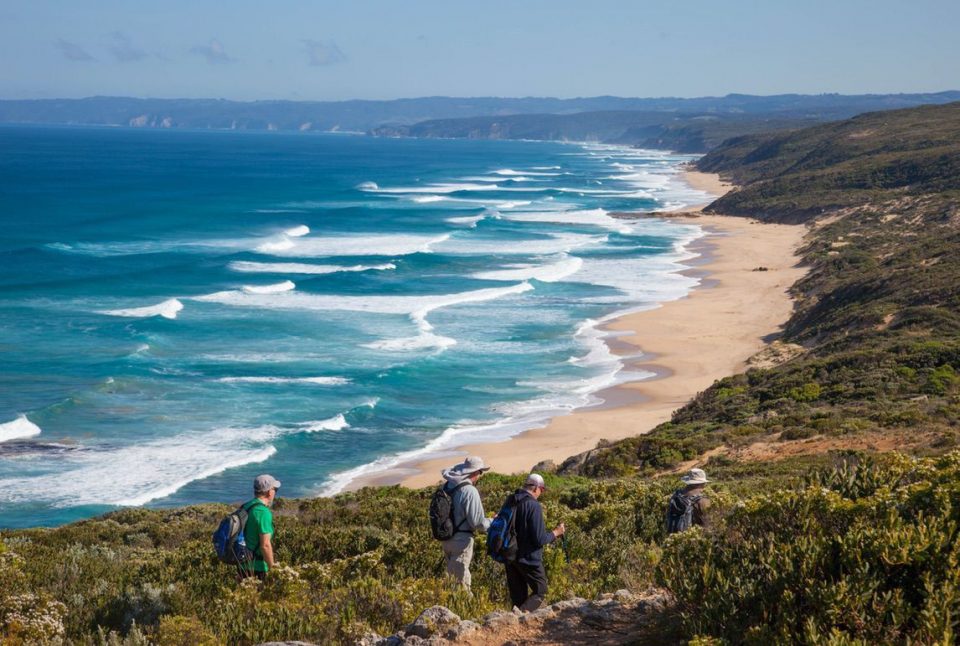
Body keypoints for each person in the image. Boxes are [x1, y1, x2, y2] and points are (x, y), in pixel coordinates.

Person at [504, 473, 565, 612]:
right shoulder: (533, 505)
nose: (541, 493)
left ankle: (514, 620)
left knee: (518, 598)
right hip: (528, 558)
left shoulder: (511, 500)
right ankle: (518, 618)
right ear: (536, 488)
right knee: (541, 591)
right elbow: (539, 539)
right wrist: (556, 533)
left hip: (510, 556)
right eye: (542, 490)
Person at [439, 456, 492, 591]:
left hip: (446, 538)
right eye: (480, 472)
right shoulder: (469, 491)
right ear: (475, 472)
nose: (480, 476)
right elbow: (477, 523)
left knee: (452, 579)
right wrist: (492, 522)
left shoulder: (448, 485)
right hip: (461, 541)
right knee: (461, 584)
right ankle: (465, 604)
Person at [240, 474, 281, 580]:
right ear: (269, 492)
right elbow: (265, 545)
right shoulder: (263, 512)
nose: (275, 493)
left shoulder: (246, 506)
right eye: (275, 490)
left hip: (242, 565)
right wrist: (273, 570)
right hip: (258, 568)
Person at [666, 468, 711, 534]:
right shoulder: (702, 501)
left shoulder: (676, 495)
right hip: (692, 538)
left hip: (672, 536)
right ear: (702, 483)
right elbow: (708, 524)